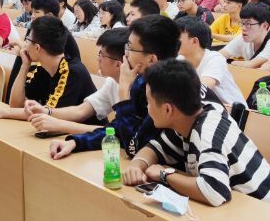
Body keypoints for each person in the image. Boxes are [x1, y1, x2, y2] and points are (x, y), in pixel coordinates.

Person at [120, 60, 270, 221]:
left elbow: (214, 191)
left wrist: (165, 175)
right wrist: (137, 165)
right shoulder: (188, 119)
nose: (147, 108)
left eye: (149, 102)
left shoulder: (209, 130)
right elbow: (155, 148)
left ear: (167, 110)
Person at [47, 15, 181, 160]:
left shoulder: (169, 92)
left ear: (152, 59)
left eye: (130, 48)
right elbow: (117, 130)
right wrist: (76, 142)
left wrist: (123, 93)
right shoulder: (142, 82)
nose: (125, 54)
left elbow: (133, 146)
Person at [0, 16, 96, 120]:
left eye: (28, 40)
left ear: (37, 48)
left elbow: (49, 116)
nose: (25, 45)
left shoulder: (72, 72)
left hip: (87, 134)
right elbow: (16, 105)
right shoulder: (43, 67)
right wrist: (25, 66)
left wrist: (4, 112)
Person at [25, 28, 128, 138]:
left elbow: (119, 132)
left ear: (118, 64)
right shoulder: (112, 82)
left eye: (101, 55)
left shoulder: (138, 89)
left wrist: (61, 125)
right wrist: (46, 111)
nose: (98, 59)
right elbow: (81, 111)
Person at [175, 16, 246, 106]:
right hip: (202, 109)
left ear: (194, 41)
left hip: (232, 111)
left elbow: (202, 90)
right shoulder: (179, 60)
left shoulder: (215, 59)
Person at [219, 2, 270, 67]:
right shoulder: (242, 38)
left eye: (248, 24)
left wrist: (231, 62)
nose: (243, 28)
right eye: (242, 23)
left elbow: (251, 65)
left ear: (264, 26)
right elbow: (218, 56)